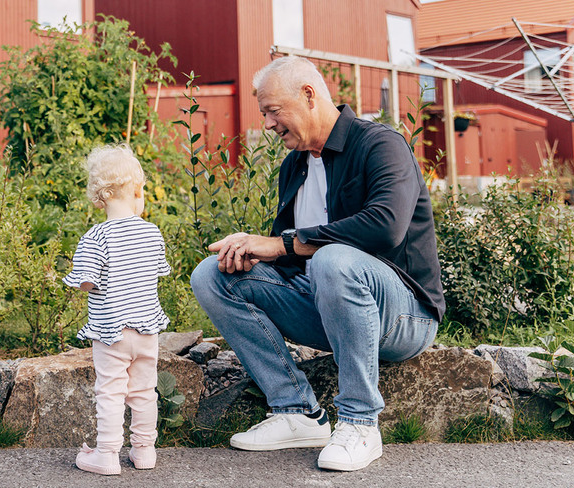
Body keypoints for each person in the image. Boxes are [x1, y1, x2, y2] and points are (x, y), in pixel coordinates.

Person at [189, 56, 444, 472]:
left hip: (405, 317)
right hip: (330, 307)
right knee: (213, 274)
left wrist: (282, 244)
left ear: (308, 95)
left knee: (333, 259)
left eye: (273, 110)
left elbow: (385, 228)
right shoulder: (294, 166)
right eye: (264, 114)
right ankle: (296, 412)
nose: (268, 124)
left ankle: (361, 423)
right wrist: (253, 255)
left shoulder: (380, 144)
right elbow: (289, 257)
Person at [64, 144, 171, 476]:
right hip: (147, 331)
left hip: (111, 331)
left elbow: (85, 281)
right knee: (143, 391)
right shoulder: (152, 233)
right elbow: (157, 272)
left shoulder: (96, 237)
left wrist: (92, 283)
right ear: (138, 190)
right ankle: (144, 451)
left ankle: (107, 454)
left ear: (98, 198)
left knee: (110, 391)